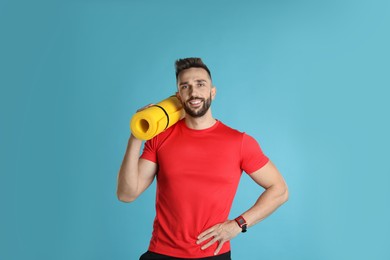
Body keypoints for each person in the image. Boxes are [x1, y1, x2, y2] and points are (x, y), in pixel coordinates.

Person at [117, 58, 288, 260]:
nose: (193, 92)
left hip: (213, 255)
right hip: (161, 252)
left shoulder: (239, 142)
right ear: (179, 96)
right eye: (185, 86)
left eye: (200, 84)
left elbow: (280, 190)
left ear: (212, 92)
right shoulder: (160, 138)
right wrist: (136, 138)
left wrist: (238, 224)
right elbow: (127, 194)